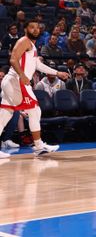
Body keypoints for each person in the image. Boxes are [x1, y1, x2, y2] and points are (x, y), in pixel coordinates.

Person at [0, 20, 69, 158]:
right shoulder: (24, 41)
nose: (36, 30)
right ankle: (38, 146)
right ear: (25, 29)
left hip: (14, 81)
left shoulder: (32, 45)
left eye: (38, 27)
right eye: (32, 27)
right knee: (34, 110)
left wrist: (57, 73)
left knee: (5, 114)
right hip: (17, 81)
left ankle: (38, 146)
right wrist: (22, 75)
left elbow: (38, 65)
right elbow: (13, 60)